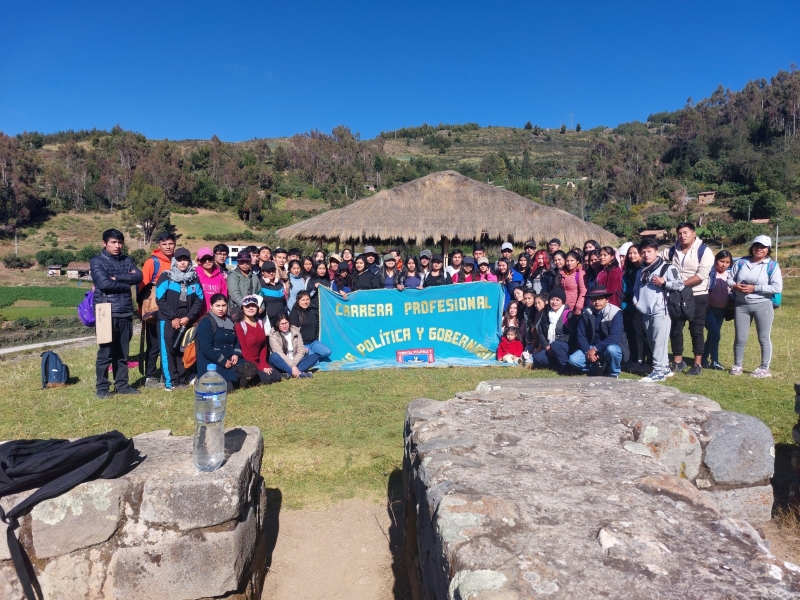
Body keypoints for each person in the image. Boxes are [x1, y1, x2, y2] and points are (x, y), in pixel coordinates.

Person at [91, 229, 143, 399]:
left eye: (120, 242)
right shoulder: (97, 261)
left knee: (123, 353)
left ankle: (122, 385)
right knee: (105, 353)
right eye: (113, 242)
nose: (117, 246)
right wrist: (125, 282)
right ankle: (102, 388)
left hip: (126, 311)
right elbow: (104, 284)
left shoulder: (127, 260)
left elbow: (139, 276)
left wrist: (117, 277)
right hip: (106, 312)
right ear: (104, 243)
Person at [661, 222, 714, 376]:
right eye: (679, 233)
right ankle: (678, 361)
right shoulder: (674, 249)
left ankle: (697, 363)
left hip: (697, 294)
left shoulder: (704, 251)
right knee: (676, 328)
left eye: (685, 232)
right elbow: (658, 256)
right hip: (677, 296)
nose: (682, 236)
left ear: (694, 233)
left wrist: (679, 284)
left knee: (696, 329)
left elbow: (702, 275)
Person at [728, 235, 783, 378]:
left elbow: (777, 287)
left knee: (763, 337)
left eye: (763, 247)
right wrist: (734, 285)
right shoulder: (741, 262)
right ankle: (737, 365)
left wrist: (755, 288)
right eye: (757, 245)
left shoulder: (772, 266)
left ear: (768, 249)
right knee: (740, 337)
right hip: (741, 305)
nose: (759, 249)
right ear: (752, 247)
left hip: (763, 305)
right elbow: (730, 278)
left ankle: (764, 368)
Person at [634, 238, 685, 383]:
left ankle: (658, 371)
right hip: (645, 311)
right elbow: (636, 290)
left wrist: (664, 283)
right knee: (652, 341)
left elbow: (680, 285)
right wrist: (636, 302)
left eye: (649, 251)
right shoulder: (641, 271)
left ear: (656, 251)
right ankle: (664, 368)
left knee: (659, 342)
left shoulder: (667, 268)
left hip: (661, 311)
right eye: (643, 252)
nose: (646, 255)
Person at [155, 247, 204, 391]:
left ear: (189, 262)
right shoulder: (167, 277)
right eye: (179, 260)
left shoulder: (193, 279)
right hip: (167, 320)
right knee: (168, 350)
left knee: (182, 349)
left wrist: (188, 318)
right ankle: (170, 382)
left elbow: (199, 300)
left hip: (185, 321)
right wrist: (173, 317)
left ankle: (182, 379)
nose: (182, 263)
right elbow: (160, 299)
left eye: (185, 260)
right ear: (174, 261)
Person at [196, 294, 258, 392]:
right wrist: (223, 361)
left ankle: (239, 383)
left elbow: (236, 341)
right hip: (212, 363)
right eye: (218, 305)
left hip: (230, 361)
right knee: (228, 389)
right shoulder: (206, 322)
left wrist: (236, 354)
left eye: (224, 305)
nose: (221, 309)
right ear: (211, 306)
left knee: (251, 368)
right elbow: (206, 348)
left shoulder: (229, 321)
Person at [138, 231, 176, 389]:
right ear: (159, 245)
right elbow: (142, 287)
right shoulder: (152, 262)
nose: (168, 247)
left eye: (171, 243)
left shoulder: (177, 261)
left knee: (169, 344)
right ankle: (150, 376)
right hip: (154, 311)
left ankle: (166, 374)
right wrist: (142, 310)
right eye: (164, 244)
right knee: (153, 345)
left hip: (172, 311)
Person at [569, 286, 628, 378]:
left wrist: (595, 349)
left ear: (607, 300)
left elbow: (614, 337)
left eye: (600, 299)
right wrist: (587, 352)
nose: (597, 302)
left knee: (613, 350)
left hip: (608, 346)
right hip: (591, 346)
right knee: (573, 360)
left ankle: (614, 372)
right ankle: (597, 368)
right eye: (594, 299)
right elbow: (581, 335)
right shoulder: (586, 312)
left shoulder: (616, 312)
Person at [234, 295, 282, 385]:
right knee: (266, 379)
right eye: (247, 306)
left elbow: (263, 345)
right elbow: (244, 350)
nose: (251, 308)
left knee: (277, 377)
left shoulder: (260, 322)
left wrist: (263, 363)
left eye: (253, 306)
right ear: (242, 308)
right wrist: (258, 367)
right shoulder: (240, 325)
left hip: (259, 361)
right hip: (247, 362)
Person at [703, 250, 733, 371]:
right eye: (721, 261)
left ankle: (704, 358)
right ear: (716, 261)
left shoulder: (730, 276)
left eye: (727, 262)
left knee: (712, 336)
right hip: (708, 310)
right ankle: (715, 361)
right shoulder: (709, 274)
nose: (724, 264)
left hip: (721, 311)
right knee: (715, 334)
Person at [532, 288, 572, 372]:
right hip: (550, 345)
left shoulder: (568, 314)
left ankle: (566, 367)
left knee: (556, 345)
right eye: (552, 299)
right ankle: (556, 364)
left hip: (565, 346)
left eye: (557, 300)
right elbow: (541, 332)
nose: (554, 302)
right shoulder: (546, 313)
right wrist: (546, 345)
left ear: (562, 301)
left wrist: (555, 343)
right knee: (538, 358)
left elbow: (572, 334)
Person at [621, 244, 647, 373]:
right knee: (630, 333)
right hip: (628, 306)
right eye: (630, 253)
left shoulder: (644, 269)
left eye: (635, 253)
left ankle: (641, 360)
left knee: (640, 334)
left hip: (640, 306)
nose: (632, 256)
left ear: (641, 254)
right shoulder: (628, 270)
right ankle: (633, 358)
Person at [269, 314, 320, 378]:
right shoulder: (273, 334)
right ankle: (298, 374)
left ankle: (289, 373)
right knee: (274, 356)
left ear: (289, 322)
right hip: (281, 362)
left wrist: (293, 365)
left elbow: (301, 350)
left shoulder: (295, 331)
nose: (284, 326)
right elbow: (279, 353)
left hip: (295, 360)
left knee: (314, 356)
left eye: (286, 323)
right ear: (277, 324)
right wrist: (292, 366)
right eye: (282, 324)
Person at [289, 291, 332, 359]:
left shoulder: (311, 311)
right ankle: (306, 356)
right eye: (303, 300)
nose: (306, 302)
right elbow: (293, 333)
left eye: (307, 299)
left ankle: (312, 355)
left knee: (327, 352)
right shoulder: (294, 313)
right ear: (298, 301)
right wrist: (300, 347)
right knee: (315, 362)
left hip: (313, 342)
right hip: (303, 344)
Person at [195, 247, 228, 317]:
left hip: (216, 315)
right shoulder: (195, 275)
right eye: (203, 259)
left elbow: (224, 295)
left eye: (209, 258)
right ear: (199, 261)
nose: (207, 261)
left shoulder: (220, 276)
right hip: (198, 315)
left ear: (213, 258)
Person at [228, 250, 261, 318]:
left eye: (247, 261)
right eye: (242, 261)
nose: (245, 264)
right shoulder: (233, 276)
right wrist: (245, 306)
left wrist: (260, 306)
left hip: (253, 310)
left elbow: (259, 292)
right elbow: (234, 294)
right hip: (238, 309)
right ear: (238, 262)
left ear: (250, 262)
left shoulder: (254, 276)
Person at [258, 261, 288, 326]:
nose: (271, 273)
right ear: (263, 272)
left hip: (282, 319)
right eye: (268, 271)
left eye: (273, 271)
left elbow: (284, 301)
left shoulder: (280, 283)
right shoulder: (260, 285)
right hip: (268, 320)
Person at [559, 251, 587, 315]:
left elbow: (583, 291)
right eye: (567, 261)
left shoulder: (580, 273)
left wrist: (578, 307)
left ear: (577, 261)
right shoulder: (563, 273)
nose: (569, 263)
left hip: (574, 307)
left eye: (572, 260)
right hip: (564, 306)